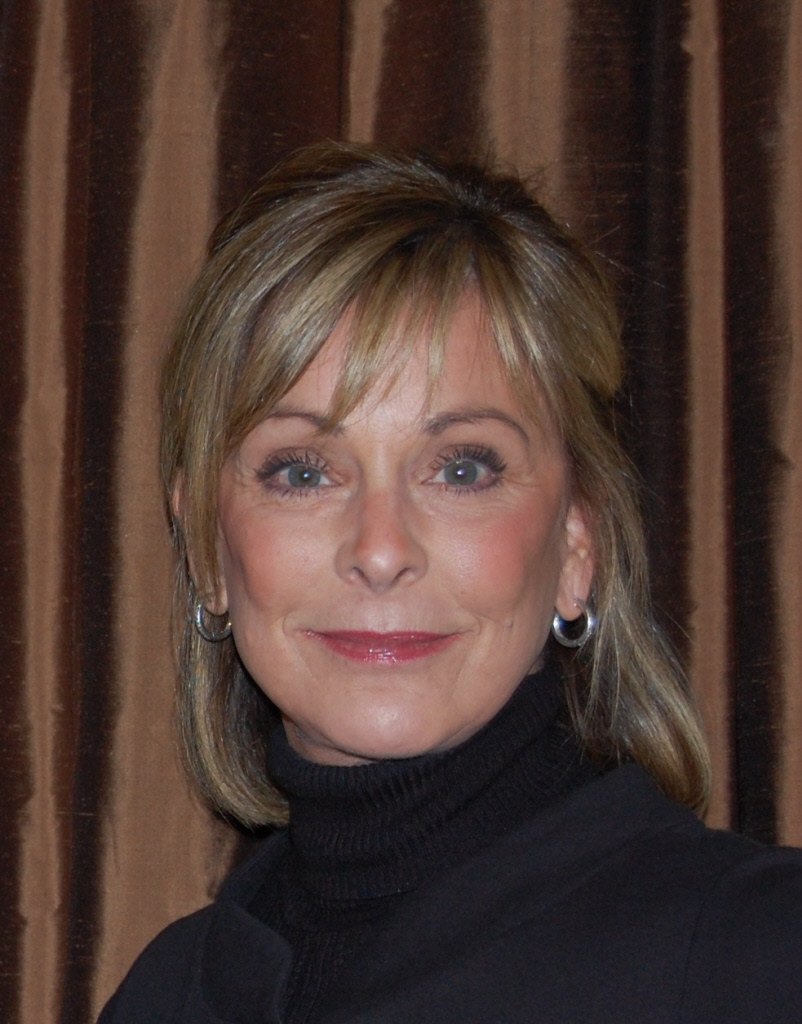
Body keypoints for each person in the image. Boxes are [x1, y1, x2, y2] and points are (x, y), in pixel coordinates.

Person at [99, 143, 802, 1023]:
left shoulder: (760, 954)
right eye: (303, 472)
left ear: (576, 544)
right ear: (207, 547)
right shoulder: (167, 996)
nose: (381, 550)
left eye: (462, 469)